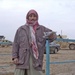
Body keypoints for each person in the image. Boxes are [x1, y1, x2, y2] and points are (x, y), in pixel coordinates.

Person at [12, 9, 56, 75]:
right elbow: (15, 44)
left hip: (35, 59)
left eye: (34, 16)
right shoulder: (21, 29)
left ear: (37, 17)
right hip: (22, 58)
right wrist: (15, 57)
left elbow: (53, 36)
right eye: (31, 16)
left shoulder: (42, 29)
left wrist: (52, 36)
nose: (32, 18)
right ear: (27, 17)